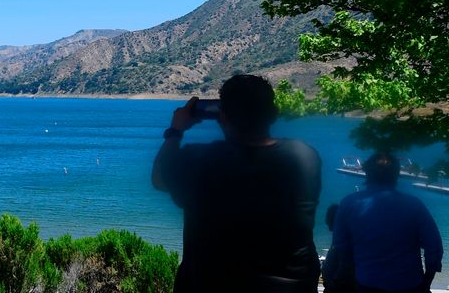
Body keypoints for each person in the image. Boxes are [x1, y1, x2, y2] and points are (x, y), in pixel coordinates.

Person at [152, 74, 322, 292]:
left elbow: (159, 179)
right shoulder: (305, 156)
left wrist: (176, 131)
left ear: (221, 117)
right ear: (273, 114)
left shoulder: (201, 161)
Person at [328, 152, 443, 293]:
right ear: (396, 174)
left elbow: (341, 248)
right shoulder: (414, 205)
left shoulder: (349, 204)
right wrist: (427, 281)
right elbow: (434, 247)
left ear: (366, 172)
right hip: (410, 284)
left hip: (367, 284)